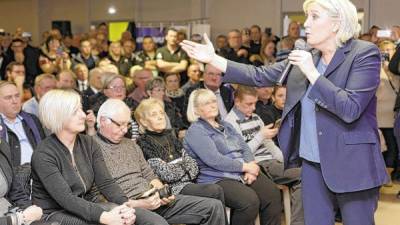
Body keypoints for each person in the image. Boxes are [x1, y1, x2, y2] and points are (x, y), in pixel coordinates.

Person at [180, 0, 388, 224]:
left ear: (337, 23)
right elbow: (259, 75)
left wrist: (312, 73)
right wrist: (213, 59)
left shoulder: (363, 53)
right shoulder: (307, 56)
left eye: (314, 17)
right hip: (311, 165)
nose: (305, 24)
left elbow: (350, 108)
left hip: (352, 162)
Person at [95, 99, 225, 225]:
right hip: (128, 206)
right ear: (103, 121)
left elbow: (149, 175)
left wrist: (162, 193)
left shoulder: (131, 144)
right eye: (120, 124)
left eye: (127, 124)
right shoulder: (91, 147)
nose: (124, 130)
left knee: (214, 207)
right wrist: (138, 203)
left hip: (152, 198)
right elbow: (97, 196)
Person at [31, 89, 136, 225]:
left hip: (86, 205)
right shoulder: (43, 154)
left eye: (81, 109)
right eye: (75, 111)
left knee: (124, 215)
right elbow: (66, 198)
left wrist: (125, 206)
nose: (83, 115)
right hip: (53, 214)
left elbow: (106, 183)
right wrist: (104, 217)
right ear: (58, 116)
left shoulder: (88, 143)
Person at [183, 89, 282, 225]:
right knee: (249, 202)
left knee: (273, 195)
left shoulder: (226, 125)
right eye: (206, 103)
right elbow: (214, 160)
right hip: (217, 177)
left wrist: (252, 166)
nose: (212, 105)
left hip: (242, 170)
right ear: (196, 110)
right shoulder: (196, 131)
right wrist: (246, 167)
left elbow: (244, 147)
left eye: (213, 101)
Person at [224, 85, 303, 225]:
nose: (253, 108)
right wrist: (260, 136)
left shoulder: (255, 117)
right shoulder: (229, 123)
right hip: (256, 164)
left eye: (255, 103)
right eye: (249, 104)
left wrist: (285, 160)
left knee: (306, 175)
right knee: (302, 176)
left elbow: (270, 146)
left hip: (270, 161)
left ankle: (297, 221)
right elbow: (241, 154)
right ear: (237, 102)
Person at [0, 140, 44, 225]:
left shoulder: (2, 146)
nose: (1, 128)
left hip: (13, 214)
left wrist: (30, 211)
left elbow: (16, 193)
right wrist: (21, 218)